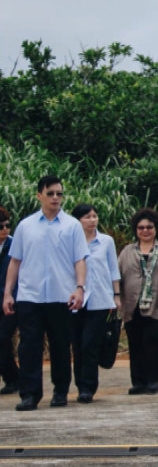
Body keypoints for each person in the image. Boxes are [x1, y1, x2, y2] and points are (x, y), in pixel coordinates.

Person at [3, 176, 89, 411]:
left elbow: (80, 259)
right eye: (50, 193)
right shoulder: (25, 226)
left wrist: (80, 288)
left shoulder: (71, 226)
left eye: (59, 194)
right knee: (29, 346)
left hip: (62, 296)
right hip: (30, 296)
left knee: (61, 345)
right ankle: (29, 394)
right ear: (39, 195)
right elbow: (15, 261)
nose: (55, 198)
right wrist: (8, 293)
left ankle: (60, 391)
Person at [69, 204, 121, 403]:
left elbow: (113, 270)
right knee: (77, 344)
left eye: (94, 216)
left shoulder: (106, 241)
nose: (92, 220)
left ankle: (88, 387)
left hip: (100, 299)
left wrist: (116, 296)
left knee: (90, 343)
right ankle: (79, 383)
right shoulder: (71, 241)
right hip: (76, 300)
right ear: (77, 220)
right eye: (87, 217)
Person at [118, 209, 158, 395]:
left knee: (153, 341)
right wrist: (116, 297)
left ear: (156, 228)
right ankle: (138, 382)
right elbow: (118, 275)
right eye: (141, 227)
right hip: (132, 305)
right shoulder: (127, 251)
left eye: (149, 227)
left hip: (156, 303)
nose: (145, 230)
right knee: (135, 343)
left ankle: (152, 380)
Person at [0, 207, 17, 395]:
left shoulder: (13, 246)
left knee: (3, 338)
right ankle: (11, 378)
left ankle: (13, 377)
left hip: (13, 300)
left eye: (7, 225)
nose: (5, 229)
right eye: (1, 226)